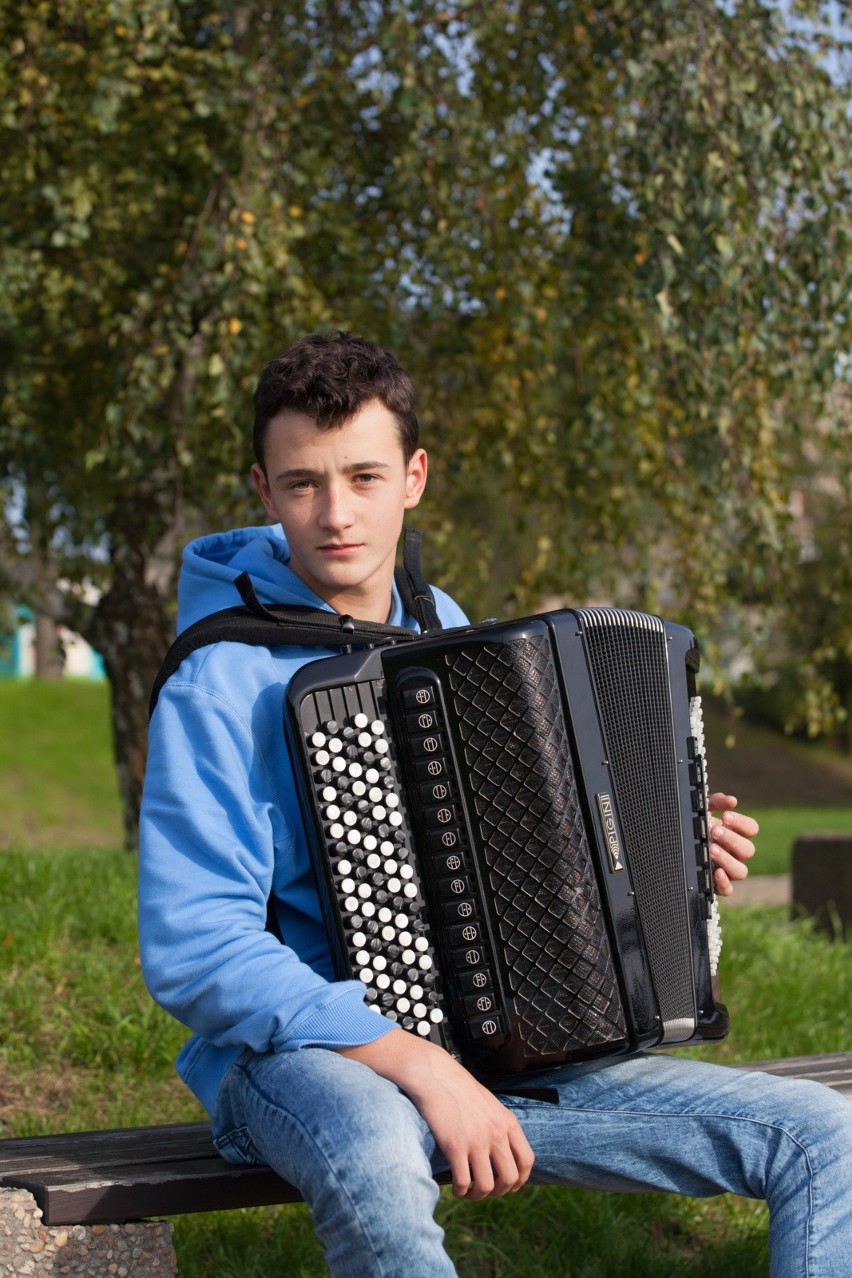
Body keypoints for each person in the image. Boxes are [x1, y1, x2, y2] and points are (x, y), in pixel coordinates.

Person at [138, 331, 852, 1278]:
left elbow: (537, 862)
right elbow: (194, 943)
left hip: (503, 1049)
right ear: (265, 494)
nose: (337, 512)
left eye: (363, 476)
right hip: (300, 1061)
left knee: (823, 1136)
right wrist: (418, 1064)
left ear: (415, 476)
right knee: (382, 1158)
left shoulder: (452, 636)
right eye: (303, 483)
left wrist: (674, 857)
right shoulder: (218, 678)